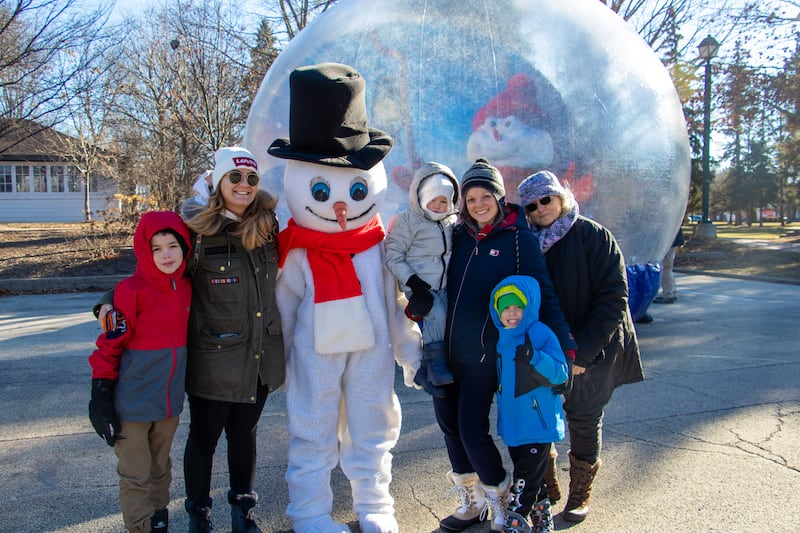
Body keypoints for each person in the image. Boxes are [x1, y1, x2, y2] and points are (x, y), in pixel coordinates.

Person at [97, 146, 284, 533]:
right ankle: (199, 515)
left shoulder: (269, 226)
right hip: (214, 358)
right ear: (219, 181)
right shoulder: (197, 230)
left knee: (244, 437)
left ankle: (242, 513)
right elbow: (155, 268)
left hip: (260, 357)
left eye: (252, 178)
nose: (244, 185)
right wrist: (106, 302)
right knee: (204, 438)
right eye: (235, 177)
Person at [435, 158, 576, 533]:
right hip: (448, 351)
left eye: (486, 196)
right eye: (470, 197)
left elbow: (541, 293)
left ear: (498, 198)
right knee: (450, 427)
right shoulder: (456, 234)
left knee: (470, 428)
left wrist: (565, 347)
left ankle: (501, 498)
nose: (478, 204)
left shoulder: (517, 238)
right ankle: (472, 503)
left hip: (488, 354)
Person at [517, 170, 644, 523]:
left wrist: (583, 353)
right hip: (545, 349)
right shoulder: (527, 243)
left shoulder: (592, 235)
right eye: (532, 204)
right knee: (540, 415)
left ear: (561, 197)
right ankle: (547, 482)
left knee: (584, 417)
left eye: (546, 199)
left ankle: (579, 492)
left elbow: (614, 298)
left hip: (593, 346)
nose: (541, 208)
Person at [88, 210, 192, 533]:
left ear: (185, 247)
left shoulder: (188, 286)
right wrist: (100, 395)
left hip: (168, 404)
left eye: (172, 245)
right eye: (156, 248)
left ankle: (159, 520)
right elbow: (109, 345)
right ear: (144, 251)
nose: (165, 254)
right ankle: (139, 527)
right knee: (136, 473)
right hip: (132, 404)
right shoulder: (130, 291)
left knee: (161, 468)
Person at [488, 275, 569, 533]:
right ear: (497, 311)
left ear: (529, 308)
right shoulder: (501, 337)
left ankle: (516, 519)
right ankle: (542, 513)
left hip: (538, 421)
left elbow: (560, 374)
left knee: (524, 481)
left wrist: (535, 357)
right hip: (513, 424)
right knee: (533, 477)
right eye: (505, 307)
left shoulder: (540, 333)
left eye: (518, 307)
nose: (512, 313)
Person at [384, 161, 460, 396]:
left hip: (445, 284)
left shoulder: (451, 222)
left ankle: (445, 360)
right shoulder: (408, 221)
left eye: (443, 201)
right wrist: (414, 283)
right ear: (421, 197)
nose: (438, 206)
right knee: (436, 314)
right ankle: (435, 364)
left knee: (450, 317)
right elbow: (393, 255)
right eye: (433, 200)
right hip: (419, 286)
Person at [653, 227, 685, 304]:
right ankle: (672, 291)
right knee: (668, 268)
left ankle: (668, 294)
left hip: (669, 242)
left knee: (666, 268)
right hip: (673, 241)